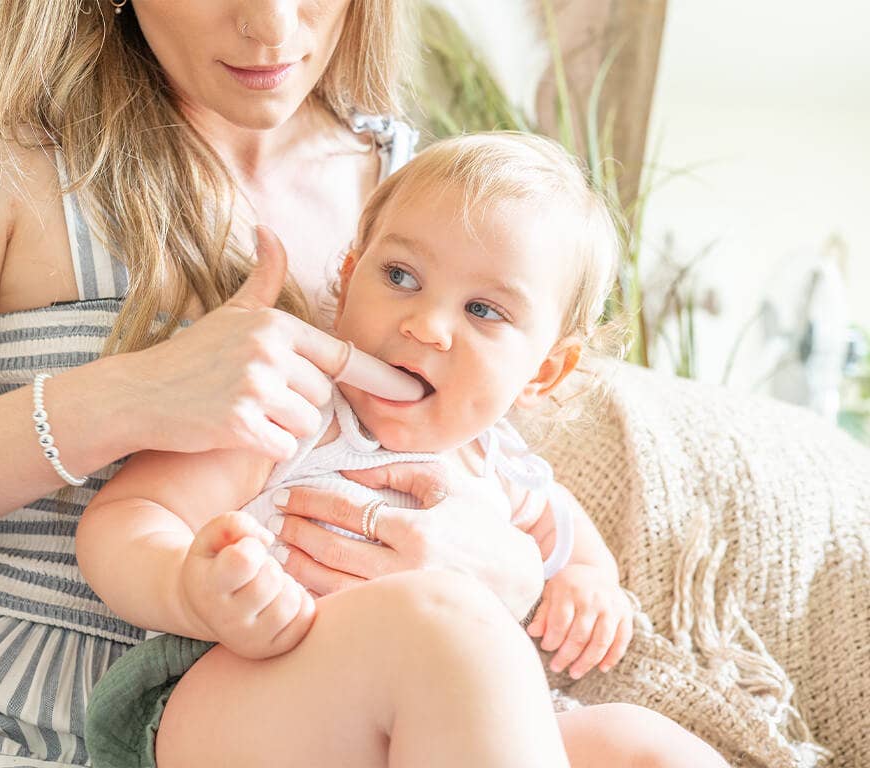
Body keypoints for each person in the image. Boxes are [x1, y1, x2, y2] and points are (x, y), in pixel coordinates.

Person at [0, 1, 570, 765]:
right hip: (15, 721)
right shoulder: (1, 124)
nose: (272, 27)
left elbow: (496, 472)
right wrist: (127, 399)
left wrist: (511, 579)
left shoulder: (423, 189)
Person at [76, 133, 730, 768]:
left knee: (644, 743)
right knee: (444, 624)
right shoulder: (294, 409)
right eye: (400, 276)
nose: (427, 324)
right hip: (231, 692)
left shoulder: (499, 467)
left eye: (483, 310)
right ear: (349, 279)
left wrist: (589, 581)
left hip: (426, 726)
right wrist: (188, 589)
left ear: (543, 374)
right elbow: (127, 514)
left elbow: (563, 534)